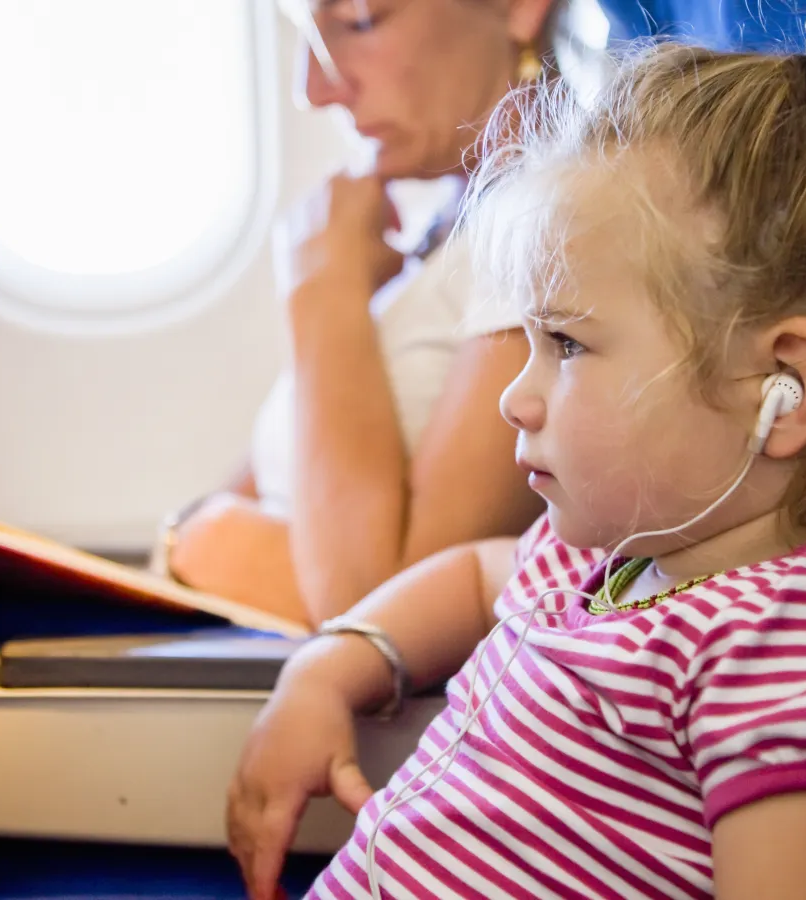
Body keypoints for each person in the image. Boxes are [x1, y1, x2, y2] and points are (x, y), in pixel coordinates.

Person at [226, 0, 806, 896]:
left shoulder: (796, 639)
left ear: (782, 388)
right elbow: (475, 577)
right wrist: (332, 664)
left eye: (566, 345)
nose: (514, 396)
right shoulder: (608, 556)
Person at [157, 0, 561, 627]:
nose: (314, 89)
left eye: (357, 21)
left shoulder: (541, 225)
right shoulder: (442, 236)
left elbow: (379, 614)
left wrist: (323, 288)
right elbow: (220, 510)